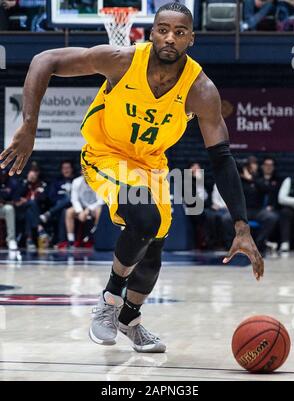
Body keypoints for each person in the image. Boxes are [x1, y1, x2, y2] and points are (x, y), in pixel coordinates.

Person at [0, 2, 264, 353]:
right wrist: (29, 126)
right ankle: (110, 301)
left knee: (153, 248)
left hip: (151, 166)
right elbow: (44, 61)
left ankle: (130, 319)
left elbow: (221, 157)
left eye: (180, 32)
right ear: (152, 32)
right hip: (105, 155)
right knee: (144, 215)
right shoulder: (122, 60)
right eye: (163, 30)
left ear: (191, 39)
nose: (170, 38)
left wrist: (241, 226)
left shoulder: (201, 90)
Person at [65, 174, 103, 248]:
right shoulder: (76, 181)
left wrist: (88, 209)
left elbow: (100, 201)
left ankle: (93, 235)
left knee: (100, 210)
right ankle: (71, 241)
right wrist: (80, 211)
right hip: (81, 208)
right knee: (69, 212)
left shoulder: (99, 181)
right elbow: (74, 199)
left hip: (94, 208)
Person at [278, 173, 294, 252]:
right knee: (285, 212)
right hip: (290, 210)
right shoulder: (289, 181)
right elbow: (281, 199)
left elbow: (286, 199)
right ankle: (285, 242)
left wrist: (291, 201)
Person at [0, 168, 18, 250]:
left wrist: (4, 202)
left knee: (9, 209)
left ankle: (11, 240)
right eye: (1, 175)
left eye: (4, 175)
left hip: (4, 208)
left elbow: (15, 200)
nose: (2, 177)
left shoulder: (12, 183)